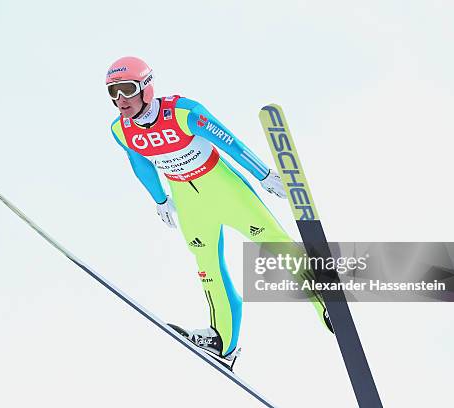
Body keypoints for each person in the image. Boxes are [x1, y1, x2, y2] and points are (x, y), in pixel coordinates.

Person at [106, 56, 331, 364]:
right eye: (113, 92)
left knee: (275, 244)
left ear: (146, 88)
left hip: (221, 187)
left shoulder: (185, 112)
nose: (120, 100)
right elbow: (139, 162)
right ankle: (223, 339)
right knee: (206, 265)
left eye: (127, 89)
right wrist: (160, 199)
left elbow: (229, 141)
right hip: (187, 198)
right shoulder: (121, 130)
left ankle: (325, 304)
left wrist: (263, 174)